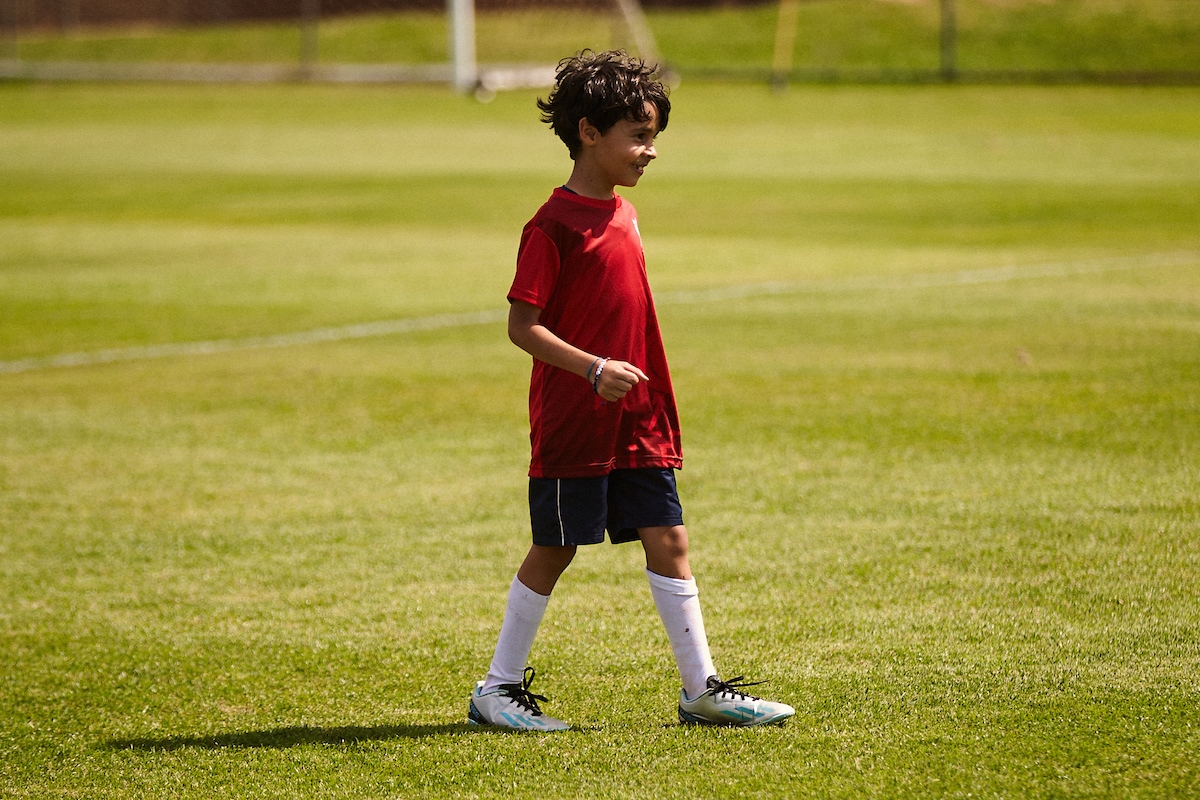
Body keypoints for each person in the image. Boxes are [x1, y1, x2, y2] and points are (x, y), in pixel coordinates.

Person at [468, 50, 795, 731]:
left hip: (640, 418)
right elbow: (521, 327)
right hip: (576, 419)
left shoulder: (624, 214)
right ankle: (496, 690)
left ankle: (700, 689)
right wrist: (592, 369)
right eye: (639, 137)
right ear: (590, 133)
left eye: (654, 137)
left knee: (669, 537)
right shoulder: (551, 226)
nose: (651, 152)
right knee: (556, 546)